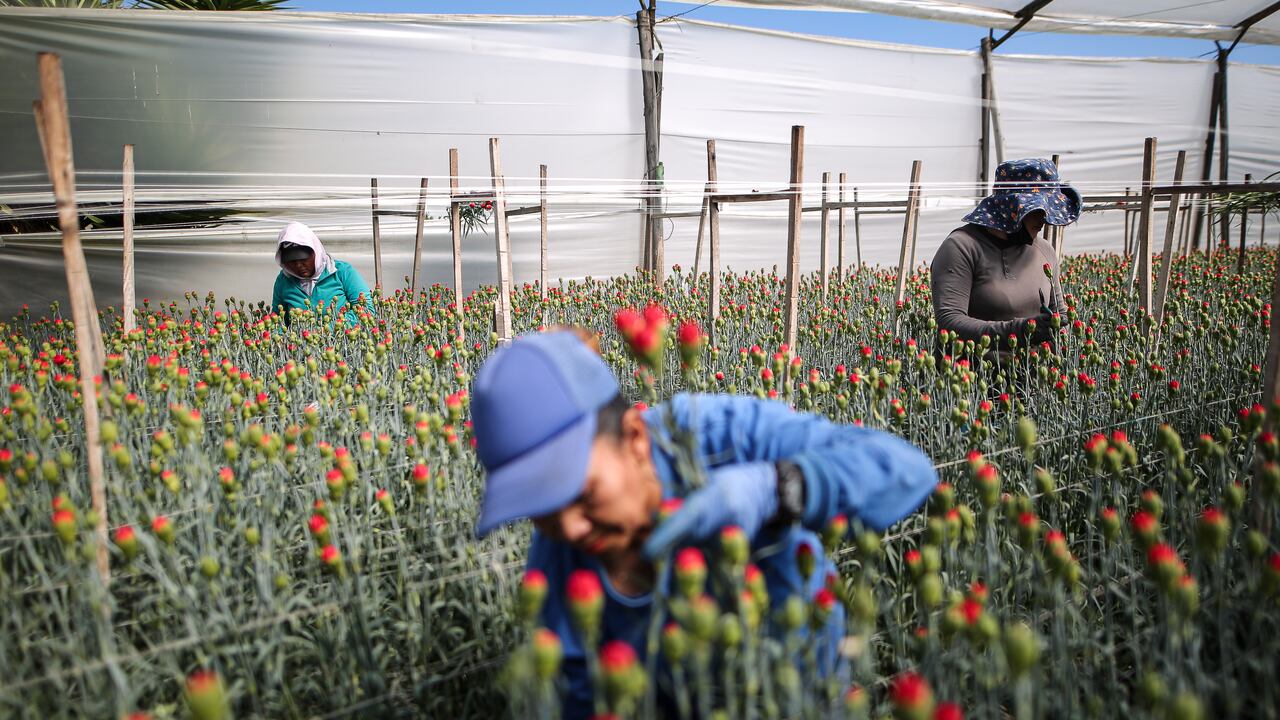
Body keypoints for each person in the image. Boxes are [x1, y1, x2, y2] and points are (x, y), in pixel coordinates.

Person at [470, 330, 938, 718]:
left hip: (802, 694)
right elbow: (577, 694)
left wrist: (776, 488)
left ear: (634, 437)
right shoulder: (557, 554)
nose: (570, 528)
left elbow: (906, 471)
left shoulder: (715, 436)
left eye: (582, 493)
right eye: (541, 508)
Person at [931, 158, 1081, 353]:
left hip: (1034, 369)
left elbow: (1059, 314)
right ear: (1010, 207)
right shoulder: (961, 247)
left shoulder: (1045, 250)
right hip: (975, 369)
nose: (1044, 218)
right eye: (1037, 210)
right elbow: (950, 322)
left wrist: (1057, 336)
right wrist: (1021, 331)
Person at [271, 221, 374, 326]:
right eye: (292, 261)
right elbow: (277, 322)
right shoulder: (283, 280)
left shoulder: (342, 272)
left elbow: (367, 310)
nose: (298, 265)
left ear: (315, 253)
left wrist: (329, 329)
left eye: (303, 259)